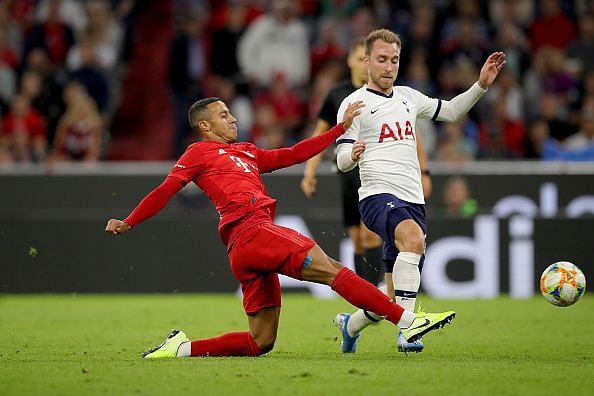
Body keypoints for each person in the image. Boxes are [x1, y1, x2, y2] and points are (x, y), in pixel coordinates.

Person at [104, 97, 455, 359]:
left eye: (231, 112)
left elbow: (295, 154)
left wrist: (339, 130)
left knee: (260, 342)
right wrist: (130, 220)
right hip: (250, 232)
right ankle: (406, 320)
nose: (233, 118)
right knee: (331, 268)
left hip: (247, 247)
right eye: (223, 114)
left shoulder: (247, 152)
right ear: (205, 126)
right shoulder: (197, 153)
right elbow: (166, 190)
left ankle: (181, 348)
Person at [334, 29, 504, 354]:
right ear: (367, 60)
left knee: (393, 294)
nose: (388, 66)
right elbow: (340, 158)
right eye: (382, 59)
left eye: (394, 60)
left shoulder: (408, 97)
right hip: (376, 196)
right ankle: (409, 329)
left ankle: (350, 324)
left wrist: (481, 85)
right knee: (413, 240)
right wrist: (350, 155)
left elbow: (452, 111)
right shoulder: (353, 103)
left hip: (412, 199)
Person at [301, 39, 432, 288]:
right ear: (353, 61)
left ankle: (372, 293)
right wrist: (310, 171)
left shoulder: (392, 95)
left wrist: (423, 171)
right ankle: (365, 297)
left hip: (378, 174)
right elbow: (320, 134)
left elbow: (412, 135)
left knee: (370, 236)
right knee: (357, 239)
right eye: (362, 58)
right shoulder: (339, 96)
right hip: (349, 173)